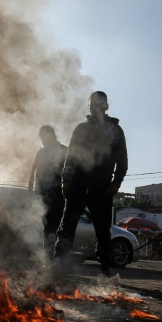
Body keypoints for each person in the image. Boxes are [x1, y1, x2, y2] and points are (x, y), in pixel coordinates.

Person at [52, 91, 128, 277]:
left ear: (106, 106)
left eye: (98, 104)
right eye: (91, 104)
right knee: (67, 226)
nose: (95, 107)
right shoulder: (81, 129)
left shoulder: (116, 130)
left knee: (103, 229)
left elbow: (123, 160)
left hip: (102, 187)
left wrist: (116, 183)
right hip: (77, 184)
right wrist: (65, 179)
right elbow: (70, 157)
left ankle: (105, 268)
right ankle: (58, 263)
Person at [28, 125, 68, 257]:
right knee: (46, 228)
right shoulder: (41, 153)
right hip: (43, 197)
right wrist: (32, 194)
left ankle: (56, 258)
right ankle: (48, 258)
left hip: (59, 197)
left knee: (56, 228)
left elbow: (71, 173)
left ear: (52, 136)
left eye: (44, 138)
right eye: (42, 139)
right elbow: (33, 174)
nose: (43, 141)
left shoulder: (64, 151)